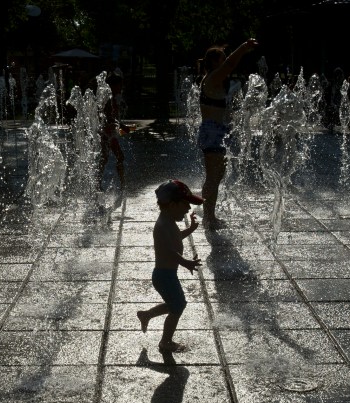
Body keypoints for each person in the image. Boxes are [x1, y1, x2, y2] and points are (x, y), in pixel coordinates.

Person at [136, 180, 203, 353]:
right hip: (164, 276)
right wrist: (186, 262)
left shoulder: (168, 223)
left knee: (175, 304)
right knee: (178, 305)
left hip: (166, 274)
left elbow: (176, 238)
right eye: (185, 204)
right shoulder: (162, 225)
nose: (188, 208)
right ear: (172, 205)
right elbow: (169, 251)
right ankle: (165, 342)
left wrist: (191, 230)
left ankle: (147, 314)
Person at [197, 38, 258, 228]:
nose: (225, 63)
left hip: (218, 132)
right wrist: (244, 47)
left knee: (217, 175)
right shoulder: (213, 77)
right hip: (212, 132)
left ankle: (210, 214)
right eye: (221, 59)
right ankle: (208, 218)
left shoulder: (214, 80)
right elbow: (231, 64)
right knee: (213, 177)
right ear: (214, 63)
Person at [100, 72, 128, 190]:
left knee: (105, 159)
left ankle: (98, 183)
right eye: (119, 85)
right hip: (107, 135)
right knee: (115, 157)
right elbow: (108, 117)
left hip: (108, 134)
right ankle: (122, 185)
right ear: (112, 86)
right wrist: (121, 125)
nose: (121, 88)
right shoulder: (109, 100)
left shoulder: (112, 98)